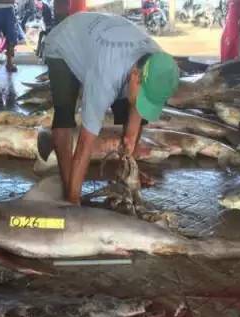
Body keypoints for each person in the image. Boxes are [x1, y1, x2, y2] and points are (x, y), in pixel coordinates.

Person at [42, 12, 179, 204]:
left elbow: (137, 109)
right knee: (65, 118)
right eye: (144, 98)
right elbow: (84, 145)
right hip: (64, 44)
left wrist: (130, 143)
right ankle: (69, 195)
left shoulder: (159, 63)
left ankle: (125, 175)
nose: (142, 105)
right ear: (134, 77)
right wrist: (74, 205)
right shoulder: (105, 77)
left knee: (133, 111)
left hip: (103, 45)